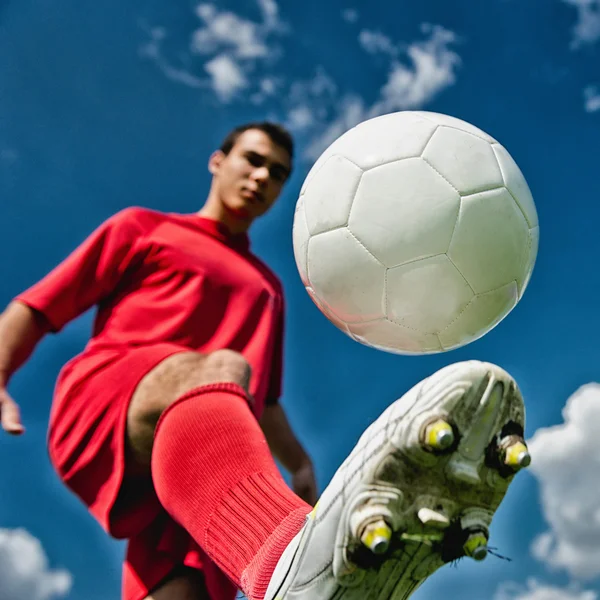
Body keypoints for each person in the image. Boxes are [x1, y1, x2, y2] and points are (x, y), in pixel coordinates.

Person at [0, 121, 531, 600]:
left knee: (190, 586)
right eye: (251, 160)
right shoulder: (144, 228)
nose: (261, 178)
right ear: (218, 160)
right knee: (220, 368)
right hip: (109, 400)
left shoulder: (268, 287)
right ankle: (286, 553)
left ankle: (294, 571)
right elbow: (39, 305)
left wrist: (299, 463)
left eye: (276, 174)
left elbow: (265, 400)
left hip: (198, 465)